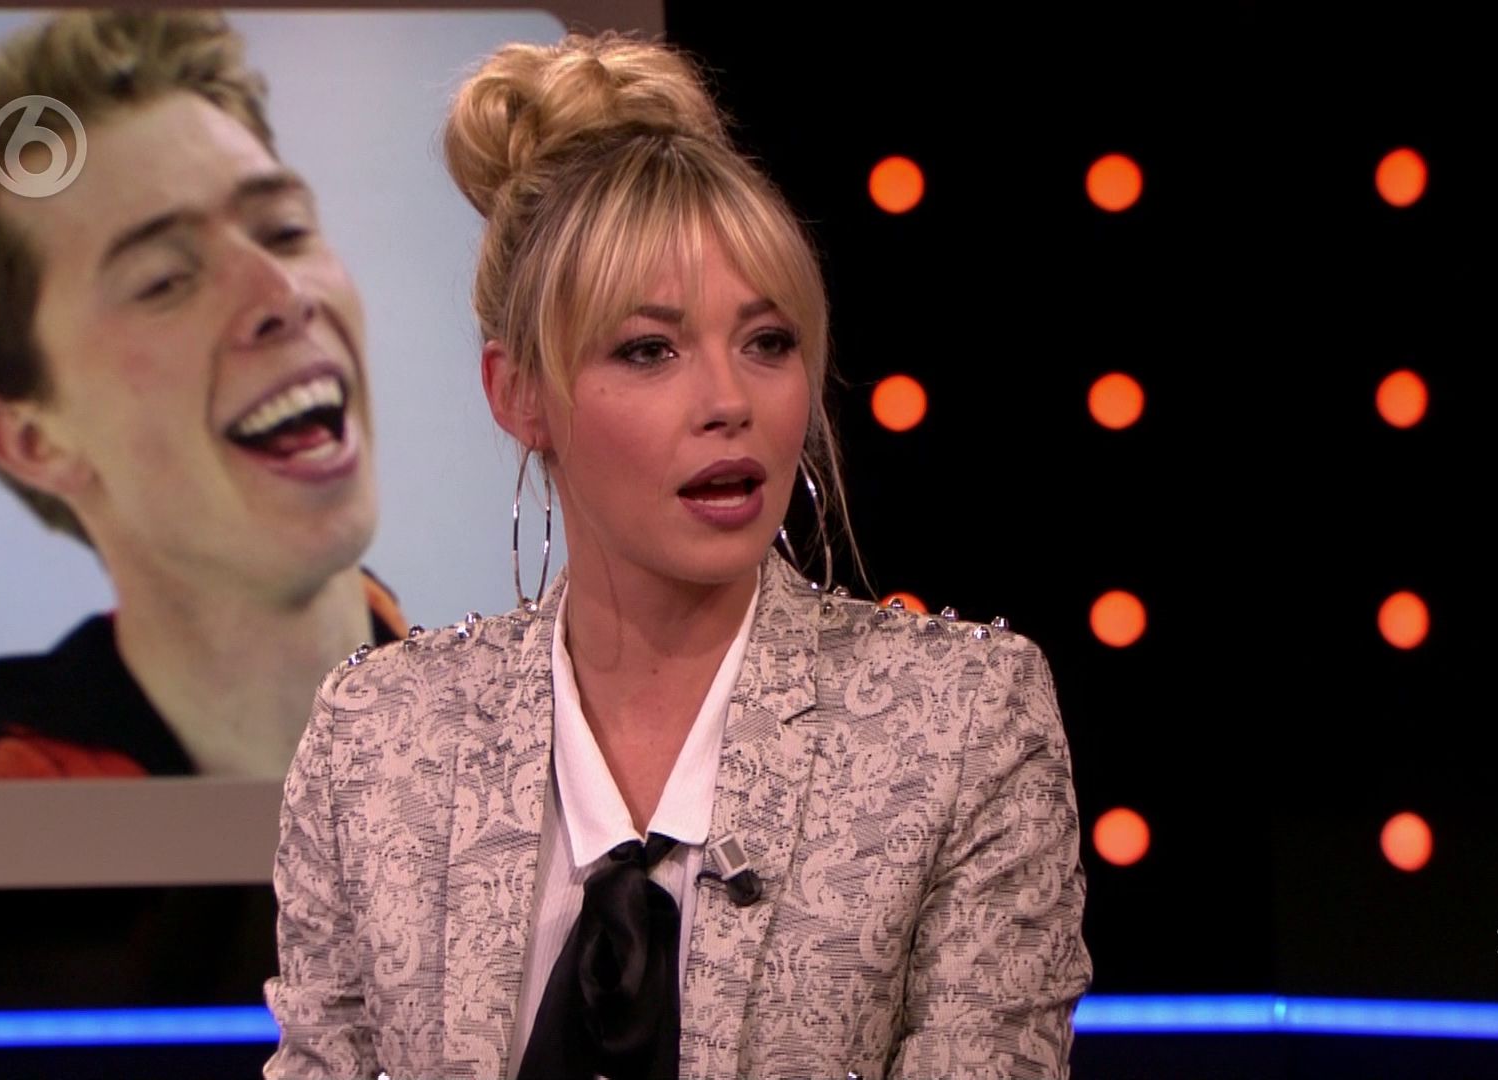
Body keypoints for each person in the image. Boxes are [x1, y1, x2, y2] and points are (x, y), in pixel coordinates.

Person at [265, 31, 1090, 1079]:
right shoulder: (377, 743)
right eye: (649, 349)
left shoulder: (963, 726)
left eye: (768, 342)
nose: (729, 402)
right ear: (518, 393)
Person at [0, 10, 403, 779]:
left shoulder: (539, 739)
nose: (282, 293)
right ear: (35, 442)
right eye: (164, 281)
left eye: (284, 230)